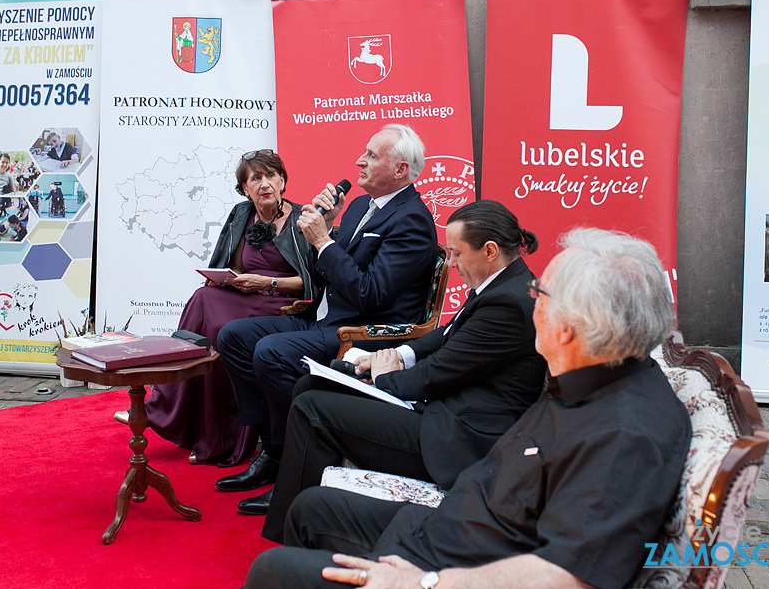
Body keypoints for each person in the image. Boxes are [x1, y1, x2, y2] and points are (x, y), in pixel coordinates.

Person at [244, 228, 691, 589]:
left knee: (274, 571)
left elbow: (566, 575)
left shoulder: (625, 434)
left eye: (540, 293)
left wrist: (426, 582)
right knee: (312, 507)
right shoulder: (584, 380)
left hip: (454, 565)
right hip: (451, 525)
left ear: (570, 329)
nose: (529, 300)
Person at [255, 199, 548, 526]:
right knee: (314, 384)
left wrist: (383, 378)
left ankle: (293, 525)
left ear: (490, 250)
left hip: (459, 438)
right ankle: (298, 505)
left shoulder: (508, 303)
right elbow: (447, 335)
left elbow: (439, 373)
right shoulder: (503, 283)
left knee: (313, 409)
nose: (450, 263)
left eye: (456, 253)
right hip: (443, 411)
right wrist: (399, 354)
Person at [215, 124, 439, 506]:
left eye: (371, 155)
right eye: (363, 152)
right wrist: (326, 227)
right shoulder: (356, 207)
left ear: (400, 170)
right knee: (233, 336)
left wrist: (324, 240)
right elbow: (324, 274)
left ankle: (298, 465)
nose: (359, 161)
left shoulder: (412, 220)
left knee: (270, 351)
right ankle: (272, 450)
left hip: (366, 331)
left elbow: (370, 294)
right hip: (329, 319)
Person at [133, 151, 319, 467]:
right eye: (255, 178)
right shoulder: (241, 214)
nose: (265, 184)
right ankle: (164, 405)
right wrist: (224, 279)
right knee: (202, 299)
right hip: (246, 293)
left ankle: (220, 436)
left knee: (221, 331)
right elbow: (230, 262)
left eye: (271, 176)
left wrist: (265, 281)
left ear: (283, 181)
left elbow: (312, 283)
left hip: (284, 301)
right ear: (244, 188)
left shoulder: (302, 219)